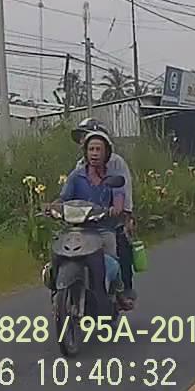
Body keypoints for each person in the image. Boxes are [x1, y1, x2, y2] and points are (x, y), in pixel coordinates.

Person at [53, 130, 128, 312]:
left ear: (106, 153)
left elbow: (119, 196)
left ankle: (118, 294)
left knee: (111, 263)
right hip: (76, 229)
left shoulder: (112, 177)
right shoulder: (76, 176)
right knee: (56, 252)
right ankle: (57, 290)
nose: (94, 153)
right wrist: (54, 207)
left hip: (102, 229)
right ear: (85, 152)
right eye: (91, 149)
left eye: (98, 149)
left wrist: (116, 208)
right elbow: (63, 198)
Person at [71, 118, 136, 305]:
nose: (83, 141)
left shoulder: (116, 162)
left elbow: (123, 189)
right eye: (82, 139)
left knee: (120, 249)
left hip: (110, 218)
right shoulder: (79, 166)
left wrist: (125, 214)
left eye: (86, 135)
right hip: (85, 220)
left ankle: (122, 291)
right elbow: (71, 192)